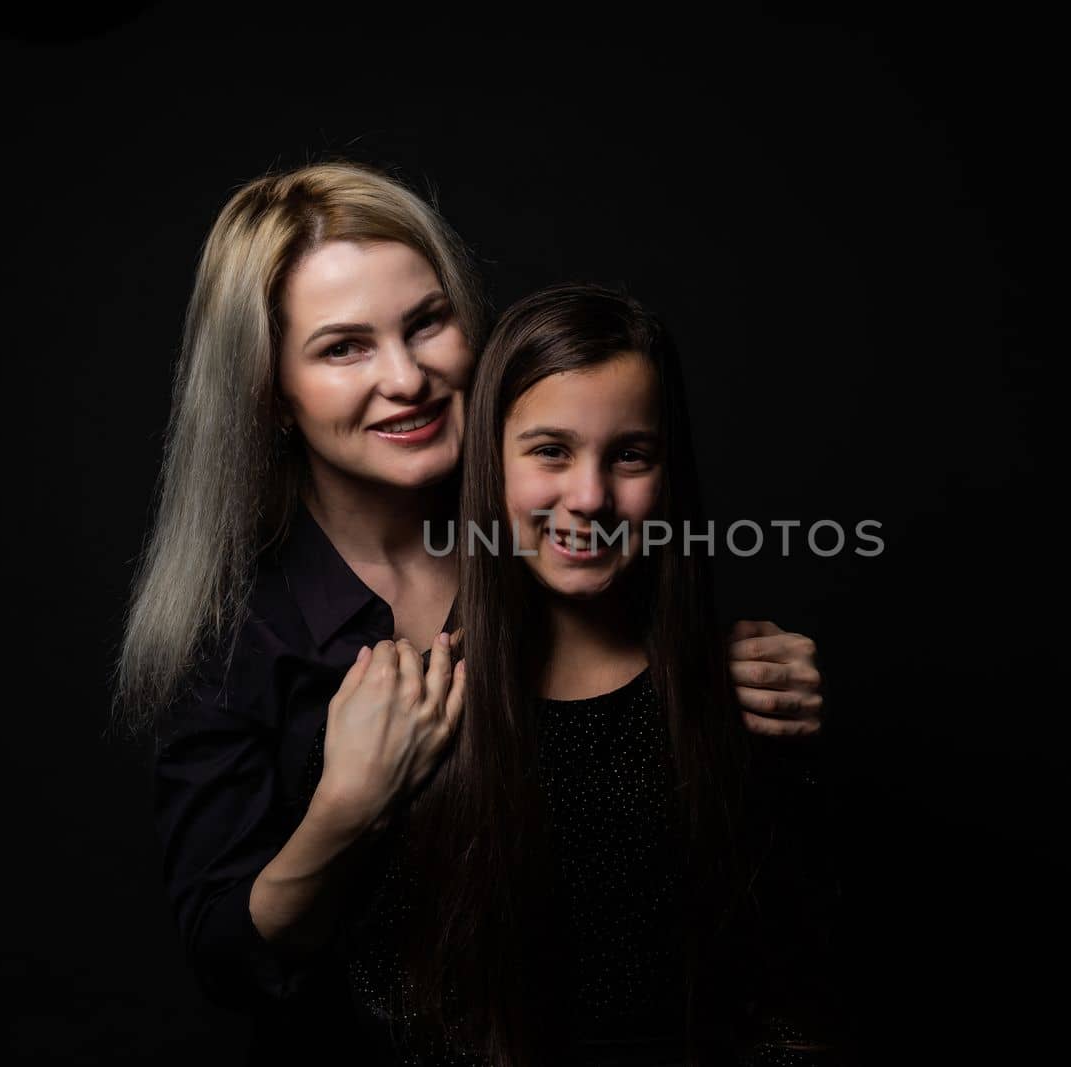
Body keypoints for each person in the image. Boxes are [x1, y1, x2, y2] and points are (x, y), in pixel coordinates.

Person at [114, 161, 830, 1059]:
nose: (407, 377)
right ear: (272, 393)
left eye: (426, 323)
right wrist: (345, 807)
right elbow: (226, 960)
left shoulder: (561, 517)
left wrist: (728, 676)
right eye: (344, 347)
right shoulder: (236, 638)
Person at [315, 282, 840, 1066]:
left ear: (670, 474)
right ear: (491, 461)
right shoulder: (426, 714)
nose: (589, 497)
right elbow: (397, 1005)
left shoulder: (743, 708)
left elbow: (792, 1000)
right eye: (551, 450)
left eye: (630, 454)